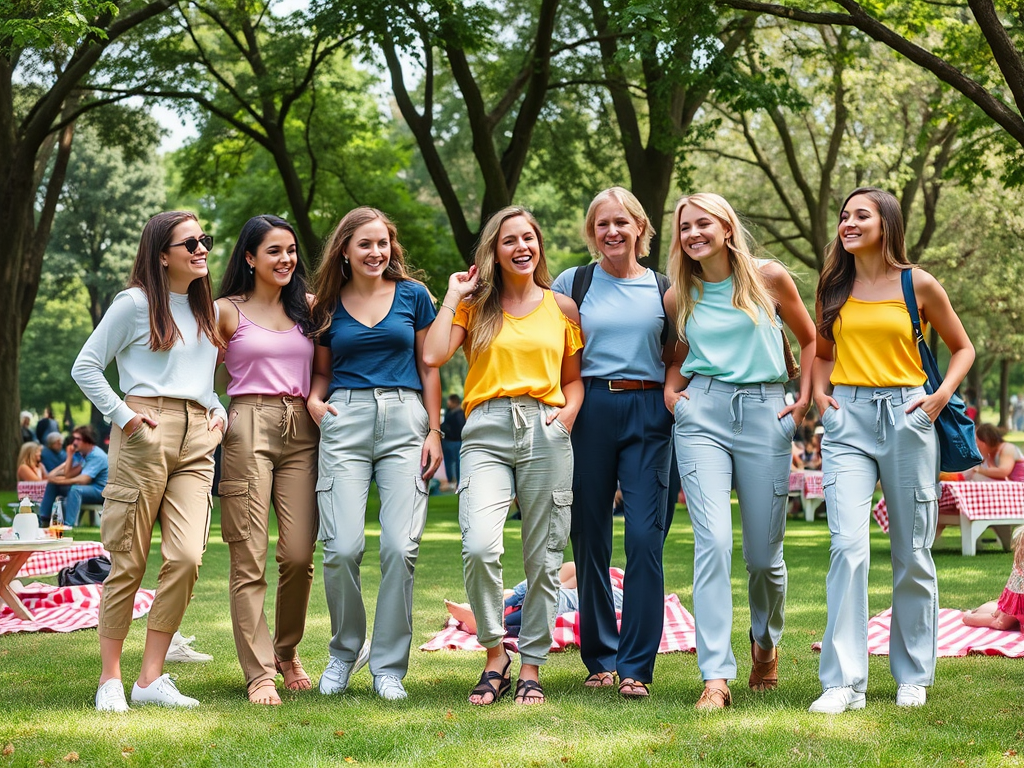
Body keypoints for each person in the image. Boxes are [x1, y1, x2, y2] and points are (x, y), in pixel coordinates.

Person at [808, 187, 974, 714]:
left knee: (913, 551)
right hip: (848, 420)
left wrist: (939, 396)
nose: (848, 223)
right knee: (846, 548)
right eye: (844, 216)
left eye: (861, 215)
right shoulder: (833, 285)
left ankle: (912, 674)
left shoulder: (917, 283)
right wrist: (819, 398)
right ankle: (843, 682)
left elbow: (962, 347)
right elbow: (823, 353)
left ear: (887, 223)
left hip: (908, 415)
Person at [423, 206, 583, 706]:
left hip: (546, 427)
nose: (521, 247)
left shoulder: (562, 307)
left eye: (528, 238)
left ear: (539, 246)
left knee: (545, 555)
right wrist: (453, 295)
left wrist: (566, 417)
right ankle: (496, 654)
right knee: (479, 547)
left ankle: (532, 664)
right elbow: (431, 355)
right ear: (494, 250)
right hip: (486, 429)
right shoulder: (477, 308)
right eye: (508, 240)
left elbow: (575, 380)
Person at [663, 193, 815, 710]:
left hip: (764, 413)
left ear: (727, 227)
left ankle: (765, 644)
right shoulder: (679, 293)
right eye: (685, 227)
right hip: (701, 413)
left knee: (763, 558)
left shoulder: (769, 277)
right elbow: (678, 356)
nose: (692, 234)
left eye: (702, 223)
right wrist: (672, 395)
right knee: (713, 544)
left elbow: (812, 340)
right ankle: (716, 676)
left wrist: (802, 403)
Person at [72, 211, 225, 712]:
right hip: (145, 432)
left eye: (204, 239)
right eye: (190, 243)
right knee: (129, 561)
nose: (201, 248)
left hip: (197, 437)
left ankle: (150, 679)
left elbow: (199, 375)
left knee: (186, 558)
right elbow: (86, 366)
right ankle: (109, 680)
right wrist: (125, 416)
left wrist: (216, 408)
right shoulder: (133, 304)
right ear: (162, 254)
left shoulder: (206, 308)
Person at [307, 207, 442, 702]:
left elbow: (429, 366)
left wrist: (435, 429)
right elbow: (321, 372)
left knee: (399, 548)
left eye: (382, 243)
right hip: (345, 419)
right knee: (342, 547)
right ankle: (345, 652)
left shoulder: (413, 296)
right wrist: (315, 402)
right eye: (364, 244)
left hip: (407, 420)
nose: (375, 252)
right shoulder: (326, 303)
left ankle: (388, 665)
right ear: (345, 249)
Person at [549, 187, 673, 699]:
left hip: (649, 413)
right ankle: (599, 655)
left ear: (640, 227)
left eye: (622, 222)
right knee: (589, 535)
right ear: (591, 232)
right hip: (590, 408)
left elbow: (677, 353)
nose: (612, 232)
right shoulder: (571, 284)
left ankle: (636, 666)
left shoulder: (665, 288)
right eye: (602, 224)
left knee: (646, 537)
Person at [215, 215, 319, 706]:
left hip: (303, 429)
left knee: (299, 555)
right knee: (248, 555)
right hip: (247, 425)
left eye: (292, 250)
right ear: (250, 257)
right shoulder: (224, 312)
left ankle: (286, 650)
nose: (286, 260)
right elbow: (191, 369)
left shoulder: (310, 309)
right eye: (274, 251)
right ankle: (258, 673)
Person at [443, 562, 624, 637]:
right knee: (562, 573)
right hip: (604, 584)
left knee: (553, 596)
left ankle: (494, 621)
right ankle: (492, 612)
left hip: (606, 595)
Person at [38, 425, 108, 527]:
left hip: (100, 490)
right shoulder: (82, 454)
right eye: (74, 439)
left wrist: (57, 480)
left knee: (75, 489)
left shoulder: (97, 455)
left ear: (88, 440)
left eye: (78, 439)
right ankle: (44, 520)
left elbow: (83, 480)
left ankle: (69, 525)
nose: (74, 442)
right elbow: (68, 475)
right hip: (87, 488)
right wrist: (70, 456)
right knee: (53, 485)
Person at [961, 527, 1024, 631]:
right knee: (1000, 623)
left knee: (1004, 618)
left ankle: (996, 609)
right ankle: (968, 617)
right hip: (1018, 598)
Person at [441, 393, 466, 489]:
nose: (448, 403)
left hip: (456, 441)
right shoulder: (449, 412)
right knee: (449, 462)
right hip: (448, 441)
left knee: (457, 462)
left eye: (450, 401)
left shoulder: (460, 414)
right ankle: (451, 480)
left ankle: (458, 482)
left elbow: (459, 429)